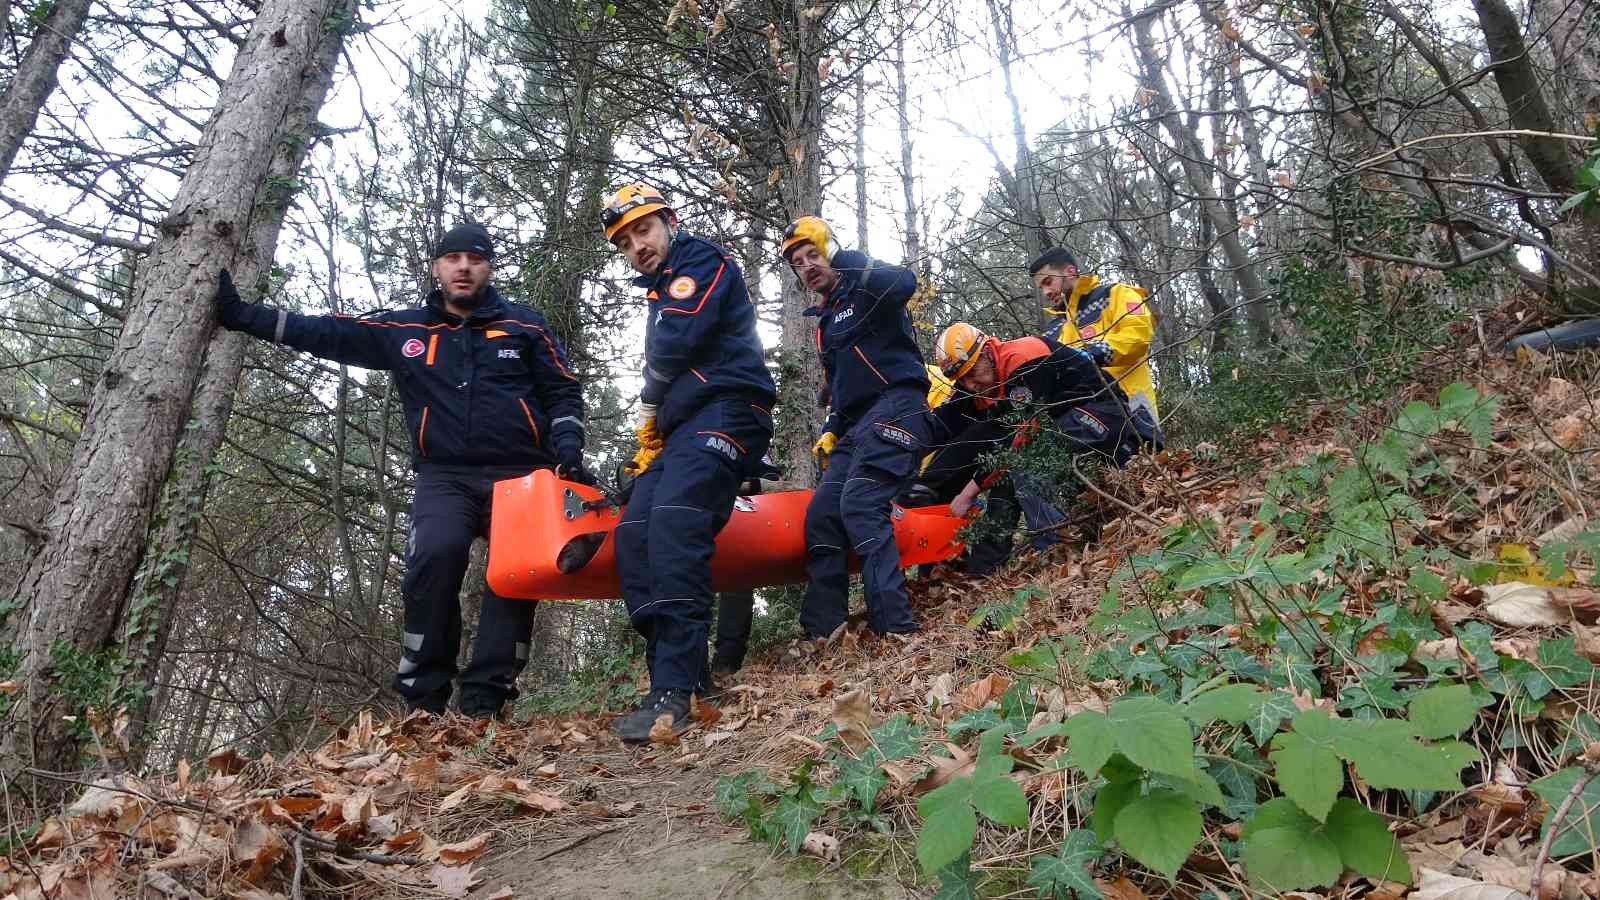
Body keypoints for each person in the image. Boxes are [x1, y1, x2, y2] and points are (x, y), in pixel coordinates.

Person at [213, 222, 586, 719]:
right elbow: (328, 332)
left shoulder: (526, 326)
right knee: (433, 558)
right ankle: (423, 699)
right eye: (453, 258)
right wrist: (242, 316)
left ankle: (486, 700)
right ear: (437, 267)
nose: (463, 267)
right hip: (444, 475)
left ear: (488, 267)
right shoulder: (406, 329)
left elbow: (563, 391)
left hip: (521, 476)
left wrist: (569, 448)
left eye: (475, 258)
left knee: (515, 577)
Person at [601, 182, 776, 742]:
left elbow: (675, 345)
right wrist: (649, 430)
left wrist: (651, 395)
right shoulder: (657, 292)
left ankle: (675, 692)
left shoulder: (699, 259)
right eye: (625, 242)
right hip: (684, 429)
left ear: (668, 221)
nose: (637, 247)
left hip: (728, 409)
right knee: (632, 533)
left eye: (643, 230)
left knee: (675, 520)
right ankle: (682, 677)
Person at [783, 216, 930, 640]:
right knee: (823, 515)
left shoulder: (867, 285)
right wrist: (831, 427)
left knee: (862, 505)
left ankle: (895, 626)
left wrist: (846, 257)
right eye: (798, 262)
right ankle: (824, 631)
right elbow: (840, 387)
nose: (808, 265)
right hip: (855, 425)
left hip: (899, 405)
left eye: (814, 254)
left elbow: (905, 282)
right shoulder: (824, 326)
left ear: (830, 250)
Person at [929, 323, 1141, 522]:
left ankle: (1055, 548)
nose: (971, 385)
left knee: (1025, 463)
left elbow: (1021, 437)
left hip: (1102, 411)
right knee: (1008, 475)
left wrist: (968, 493)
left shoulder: (1023, 359)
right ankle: (990, 557)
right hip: (1066, 419)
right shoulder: (985, 380)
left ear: (986, 352)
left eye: (972, 373)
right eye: (962, 380)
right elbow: (952, 426)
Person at [1028, 247, 1162, 445]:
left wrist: (1091, 355)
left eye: (1048, 282)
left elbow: (1137, 336)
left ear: (1070, 271)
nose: (1046, 292)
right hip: (1080, 422)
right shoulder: (1052, 331)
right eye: (1041, 288)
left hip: (1134, 410)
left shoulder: (1115, 294)